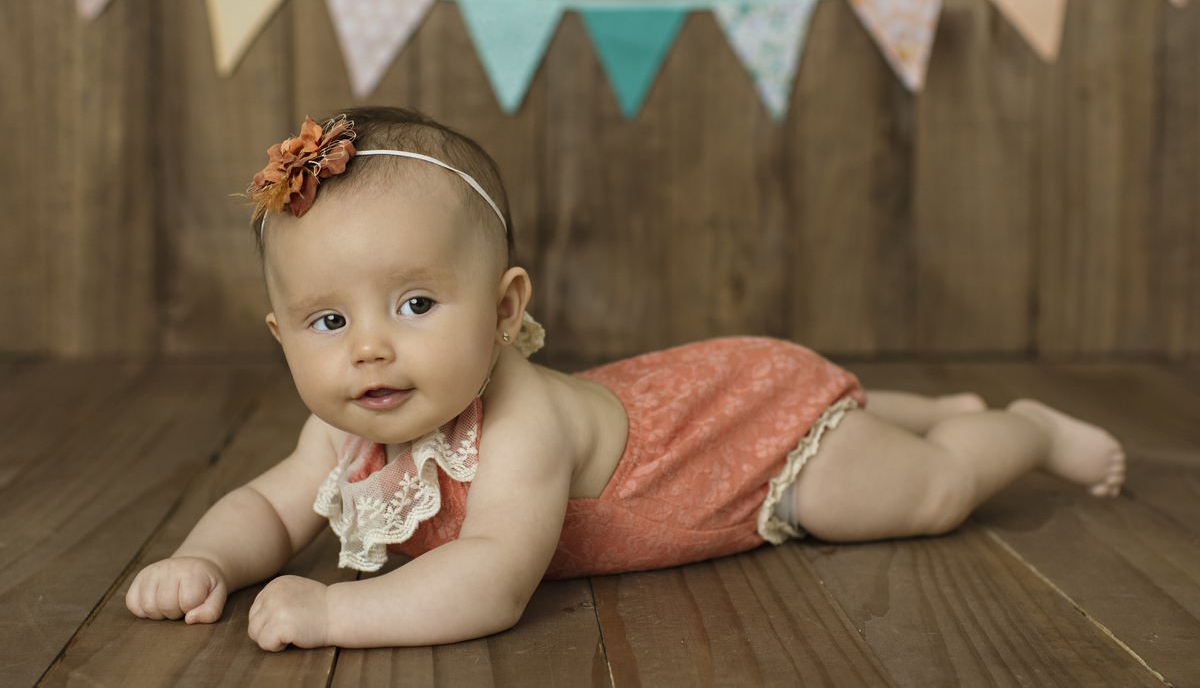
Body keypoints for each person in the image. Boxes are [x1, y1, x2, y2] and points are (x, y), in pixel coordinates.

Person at [125, 107, 1125, 651]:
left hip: (741, 438)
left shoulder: (519, 425)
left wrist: (334, 612)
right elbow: (267, 506)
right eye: (329, 321)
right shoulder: (343, 431)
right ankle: (923, 405)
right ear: (282, 337)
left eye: (416, 302)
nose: (369, 349)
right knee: (858, 413)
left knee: (918, 494)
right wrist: (206, 559)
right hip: (679, 392)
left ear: (506, 310)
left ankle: (1020, 429)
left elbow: (491, 578)